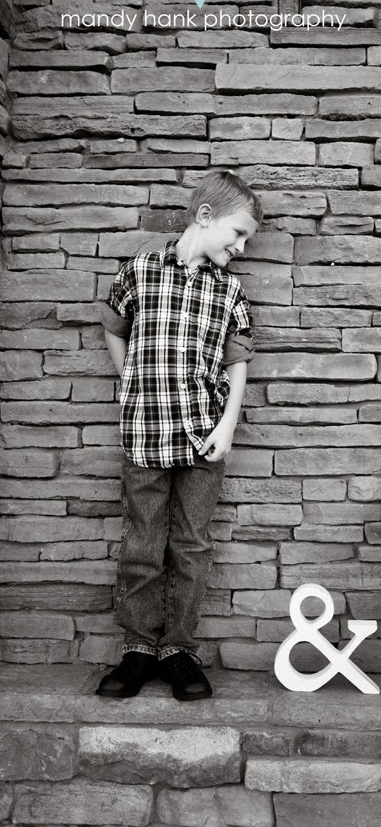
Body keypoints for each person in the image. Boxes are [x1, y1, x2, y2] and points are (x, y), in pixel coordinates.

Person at [96, 170, 262, 701]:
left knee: (191, 545)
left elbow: (238, 360)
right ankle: (140, 647)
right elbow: (112, 324)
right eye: (237, 235)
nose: (239, 248)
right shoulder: (141, 272)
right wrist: (128, 382)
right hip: (145, 431)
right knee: (142, 544)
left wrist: (229, 423)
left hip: (202, 436)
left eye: (247, 242)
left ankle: (180, 650)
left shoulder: (228, 290)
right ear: (205, 217)